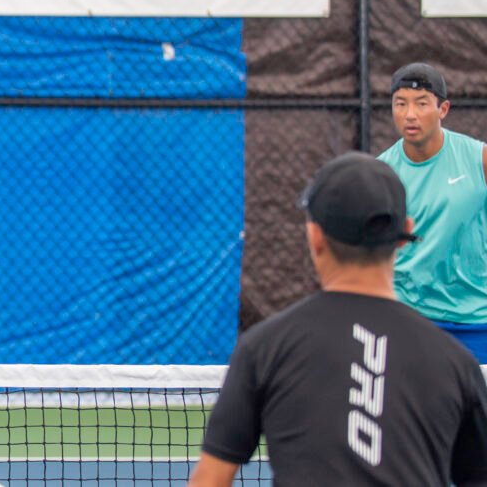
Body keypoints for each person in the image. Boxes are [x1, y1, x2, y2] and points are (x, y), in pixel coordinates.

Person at [188, 152, 487, 486]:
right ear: (406, 232)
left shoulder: (263, 348)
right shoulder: (457, 363)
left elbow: (209, 480)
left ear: (314, 237)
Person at [377, 62, 487, 362]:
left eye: (421, 103)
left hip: (477, 321)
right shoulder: (381, 173)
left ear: (443, 109)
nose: (410, 114)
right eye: (400, 104)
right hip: (410, 322)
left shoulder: (480, 159)